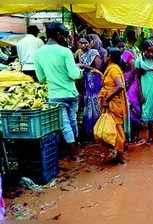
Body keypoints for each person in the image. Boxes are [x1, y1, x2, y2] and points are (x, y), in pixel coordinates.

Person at [34, 23, 82, 160]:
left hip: (54, 95)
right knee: (72, 122)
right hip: (70, 94)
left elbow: (41, 78)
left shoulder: (38, 54)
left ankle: (72, 152)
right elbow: (74, 74)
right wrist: (80, 72)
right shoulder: (65, 51)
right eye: (65, 36)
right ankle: (75, 152)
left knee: (64, 124)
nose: (66, 39)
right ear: (59, 35)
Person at [98, 48, 128, 164]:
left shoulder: (113, 69)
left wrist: (107, 98)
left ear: (109, 56)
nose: (103, 57)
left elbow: (120, 86)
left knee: (118, 130)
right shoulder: (110, 68)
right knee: (113, 128)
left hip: (113, 103)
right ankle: (118, 155)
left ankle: (121, 158)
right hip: (111, 103)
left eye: (105, 55)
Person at [76, 38, 103, 141]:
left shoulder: (94, 53)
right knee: (88, 104)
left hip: (95, 80)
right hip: (86, 82)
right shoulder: (80, 54)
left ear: (91, 43)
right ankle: (90, 132)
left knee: (96, 104)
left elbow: (98, 67)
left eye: (85, 43)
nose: (83, 45)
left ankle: (98, 129)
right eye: (81, 43)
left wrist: (84, 66)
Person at [121, 50, 145, 146]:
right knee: (129, 113)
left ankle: (134, 136)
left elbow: (138, 81)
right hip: (128, 92)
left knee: (135, 111)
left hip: (133, 92)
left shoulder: (134, 70)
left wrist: (141, 94)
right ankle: (130, 136)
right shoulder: (122, 70)